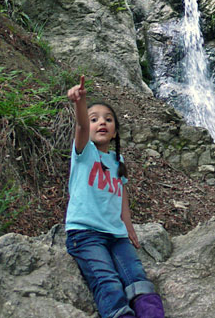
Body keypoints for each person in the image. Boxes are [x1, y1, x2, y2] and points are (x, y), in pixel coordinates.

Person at [65, 75, 165, 318]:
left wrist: (128, 226)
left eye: (108, 120)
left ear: (115, 131)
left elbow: (121, 194)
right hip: (85, 233)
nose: (102, 123)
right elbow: (79, 126)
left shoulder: (117, 160)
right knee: (107, 281)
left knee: (138, 280)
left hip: (116, 235)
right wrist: (80, 101)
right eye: (94, 119)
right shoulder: (84, 152)